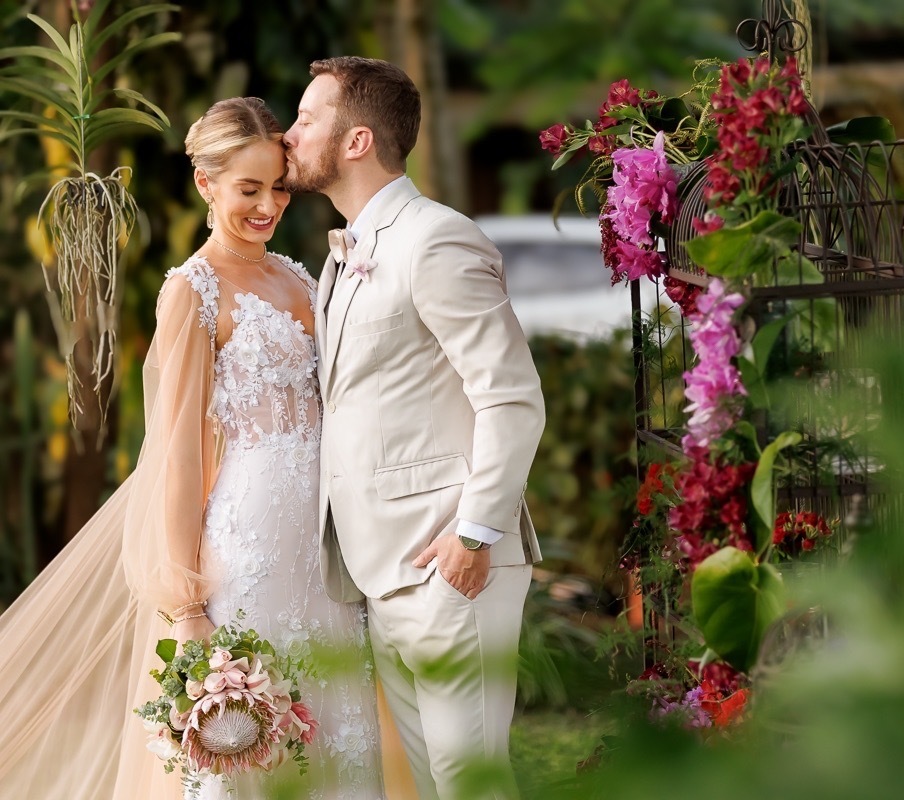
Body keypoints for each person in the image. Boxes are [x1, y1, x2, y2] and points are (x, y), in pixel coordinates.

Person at [0, 98, 386, 800]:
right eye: (248, 188)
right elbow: (176, 452)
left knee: (333, 734)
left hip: (323, 551)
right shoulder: (192, 292)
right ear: (206, 184)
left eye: (277, 187)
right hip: (247, 549)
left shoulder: (301, 277)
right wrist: (186, 605)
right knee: (245, 740)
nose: (268, 205)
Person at [282, 57, 545, 800]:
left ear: (358, 140)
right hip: (383, 569)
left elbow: (512, 395)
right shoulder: (345, 256)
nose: (289, 133)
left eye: (307, 118)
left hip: (451, 563)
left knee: (471, 781)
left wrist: (475, 534)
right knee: (434, 785)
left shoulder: (436, 239)